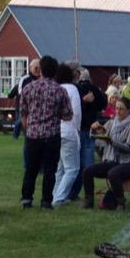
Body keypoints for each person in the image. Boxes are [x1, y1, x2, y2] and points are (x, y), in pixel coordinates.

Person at [18, 56, 72, 209]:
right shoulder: (60, 90)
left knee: (31, 168)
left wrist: (28, 128)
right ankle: (46, 201)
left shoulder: (29, 88)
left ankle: (27, 198)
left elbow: (23, 113)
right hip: (52, 135)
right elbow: (68, 115)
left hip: (33, 134)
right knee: (50, 170)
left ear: (40, 70)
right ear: (55, 71)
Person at [83, 98, 130, 210]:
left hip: (126, 163)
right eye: (116, 108)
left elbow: (128, 148)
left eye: (121, 109)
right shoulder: (110, 123)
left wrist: (112, 142)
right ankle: (88, 202)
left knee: (113, 173)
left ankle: (121, 203)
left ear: (129, 110)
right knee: (87, 171)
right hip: (111, 161)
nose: (118, 111)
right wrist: (93, 129)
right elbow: (96, 138)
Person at [51, 65, 84, 206]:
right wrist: (77, 129)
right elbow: (76, 113)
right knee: (72, 168)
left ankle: (55, 194)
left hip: (56, 131)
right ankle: (59, 198)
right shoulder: (72, 89)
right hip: (68, 130)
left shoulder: (55, 89)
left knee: (60, 168)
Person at [8, 59, 41, 138]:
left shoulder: (42, 78)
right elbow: (20, 93)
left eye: (39, 68)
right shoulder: (25, 79)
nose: (38, 70)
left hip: (38, 107)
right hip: (23, 106)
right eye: (36, 68)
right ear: (30, 68)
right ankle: (16, 136)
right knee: (20, 121)